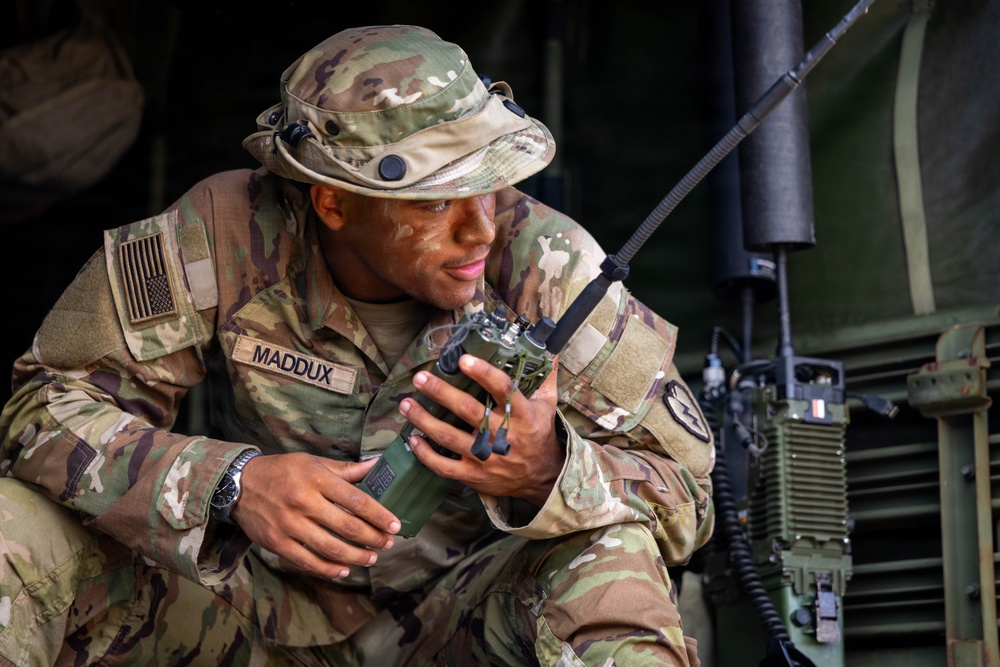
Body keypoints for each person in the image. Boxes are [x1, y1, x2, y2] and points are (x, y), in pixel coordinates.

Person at [0, 24, 714, 666]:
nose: (481, 229)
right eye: (437, 200)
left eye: (491, 186)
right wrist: (231, 482)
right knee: (13, 526)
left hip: (461, 624)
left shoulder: (549, 267)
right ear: (334, 202)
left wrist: (547, 469)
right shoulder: (223, 232)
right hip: (237, 614)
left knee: (611, 556)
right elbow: (41, 409)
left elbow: (691, 497)